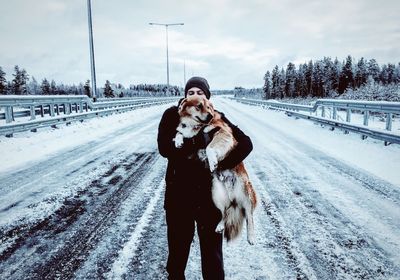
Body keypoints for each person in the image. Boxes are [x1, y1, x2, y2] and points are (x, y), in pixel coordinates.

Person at [157, 77, 253, 280]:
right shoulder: (171, 116)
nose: (195, 95)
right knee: (177, 256)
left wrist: (222, 164)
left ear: (207, 97)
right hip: (178, 196)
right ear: (184, 96)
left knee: (212, 259)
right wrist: (192, 143)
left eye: (200, 92)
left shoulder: (215, 117)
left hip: (208, 199)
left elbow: (246, 143)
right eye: (190, 92)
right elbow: (164, 148)